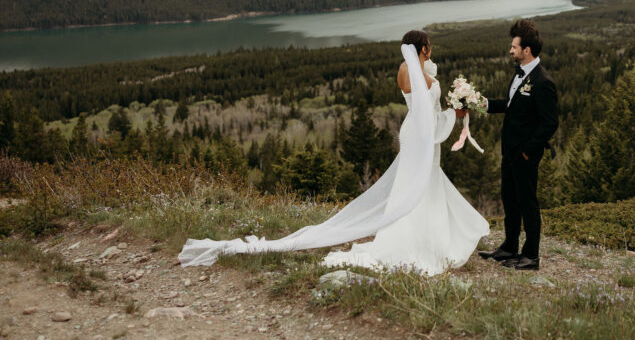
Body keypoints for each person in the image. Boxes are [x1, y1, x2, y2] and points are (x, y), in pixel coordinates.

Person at [178, 30, 489, 276]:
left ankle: (417, 235)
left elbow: (420, 106)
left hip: (410, 132)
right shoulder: (422, 76)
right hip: (421, 135)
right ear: (423, 49)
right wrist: (455, 114)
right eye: (429, 46)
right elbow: (428, 116)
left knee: (413, 185)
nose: (430, 51)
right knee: (421, 185)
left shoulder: (404, 71)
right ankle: (420, 244)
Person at [478, 19, 558, 270]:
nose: (510, 51)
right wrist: (484, 104)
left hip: (524, 155)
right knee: (510, 200)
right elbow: (511, 106)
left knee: (528, 203)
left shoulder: (544, 82)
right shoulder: (519, 74)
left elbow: (549, 123)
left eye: (514, 47)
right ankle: (509, 247)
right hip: (509, 152)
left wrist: (527, 150)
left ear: (527, 50)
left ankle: (531, 256)